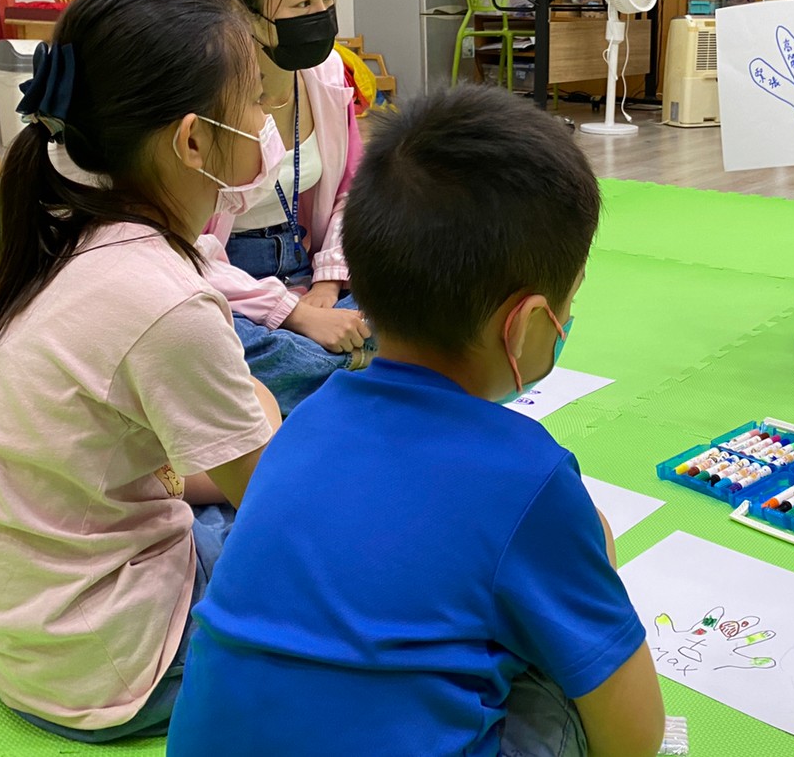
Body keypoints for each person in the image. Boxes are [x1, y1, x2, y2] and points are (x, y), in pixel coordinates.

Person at [167, 85, 666, 757]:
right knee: (554, 678)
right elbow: (636, 737)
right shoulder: (529, 474)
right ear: (523, 328)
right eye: (568, 303)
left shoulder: (299, 427)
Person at [0, 0, 283, 741]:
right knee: (398, 593)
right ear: (192, 139)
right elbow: (287, 511)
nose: (265, 116)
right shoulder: (166, 298)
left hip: (27, 636)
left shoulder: (61, 226)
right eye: (253, 100)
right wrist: (268, 418)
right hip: (113, 661)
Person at [197, 0, 371, 415]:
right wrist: (291, 312)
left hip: (310, 264)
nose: (321, 15)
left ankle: (319, 393)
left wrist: (327, 280)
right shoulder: (204, 91)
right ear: (242, 11)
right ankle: (372, 383)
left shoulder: (328, 73)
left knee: (422, 300)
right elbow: (180, 253)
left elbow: (350, 191)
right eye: (302, 4)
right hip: (225, 284)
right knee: (223, 346)